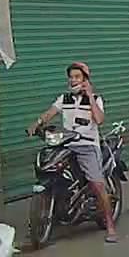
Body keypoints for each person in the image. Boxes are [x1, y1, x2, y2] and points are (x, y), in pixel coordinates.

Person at [27, 62, 116, 242]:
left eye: (77, 77)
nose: (73, 80)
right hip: (66, 145)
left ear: (85, 80)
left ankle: (110, 226)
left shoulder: (95, 99)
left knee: (97, 184)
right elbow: (50, 113)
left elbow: (99, 120)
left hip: (87, 146)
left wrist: (90, 96)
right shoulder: (64, 98)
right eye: (71, 77)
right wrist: (36, 123)